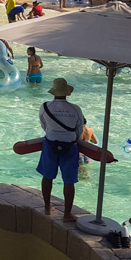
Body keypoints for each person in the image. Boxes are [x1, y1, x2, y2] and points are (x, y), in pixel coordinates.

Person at [37, 78, 84, 222]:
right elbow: (79, 130)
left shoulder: (44, 107)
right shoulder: (76, 109)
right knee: (69, 181)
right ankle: (67, 214)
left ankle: (46, 207)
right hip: (70, 146)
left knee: (47, 176)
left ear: (54, 92)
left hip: (50, 144)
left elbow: (44, 126)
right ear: (67, 93)